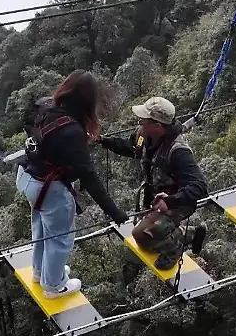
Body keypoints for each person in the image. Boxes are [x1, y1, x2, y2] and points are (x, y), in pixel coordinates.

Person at [16, 70, 130, 299]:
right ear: (88, 102)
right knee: (59, 238)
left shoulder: (46, 108)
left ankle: (41, 272)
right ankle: (54, 284)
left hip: (28, 178)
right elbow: (89, 176)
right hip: (50, 190)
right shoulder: (72, 132)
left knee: (41, 229)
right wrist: (116, 213)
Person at [99, 96, 208, 271]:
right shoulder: (144, 136)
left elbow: (200, 186)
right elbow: (130, 148)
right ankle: (191, 234)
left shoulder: (178, 151)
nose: (139, 122)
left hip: (177, 201)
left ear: (157, 125)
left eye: (143, 120)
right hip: (155, 196)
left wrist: (171, 201)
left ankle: (175, 249)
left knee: (141, 235)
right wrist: (102, 140)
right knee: (144, 232)